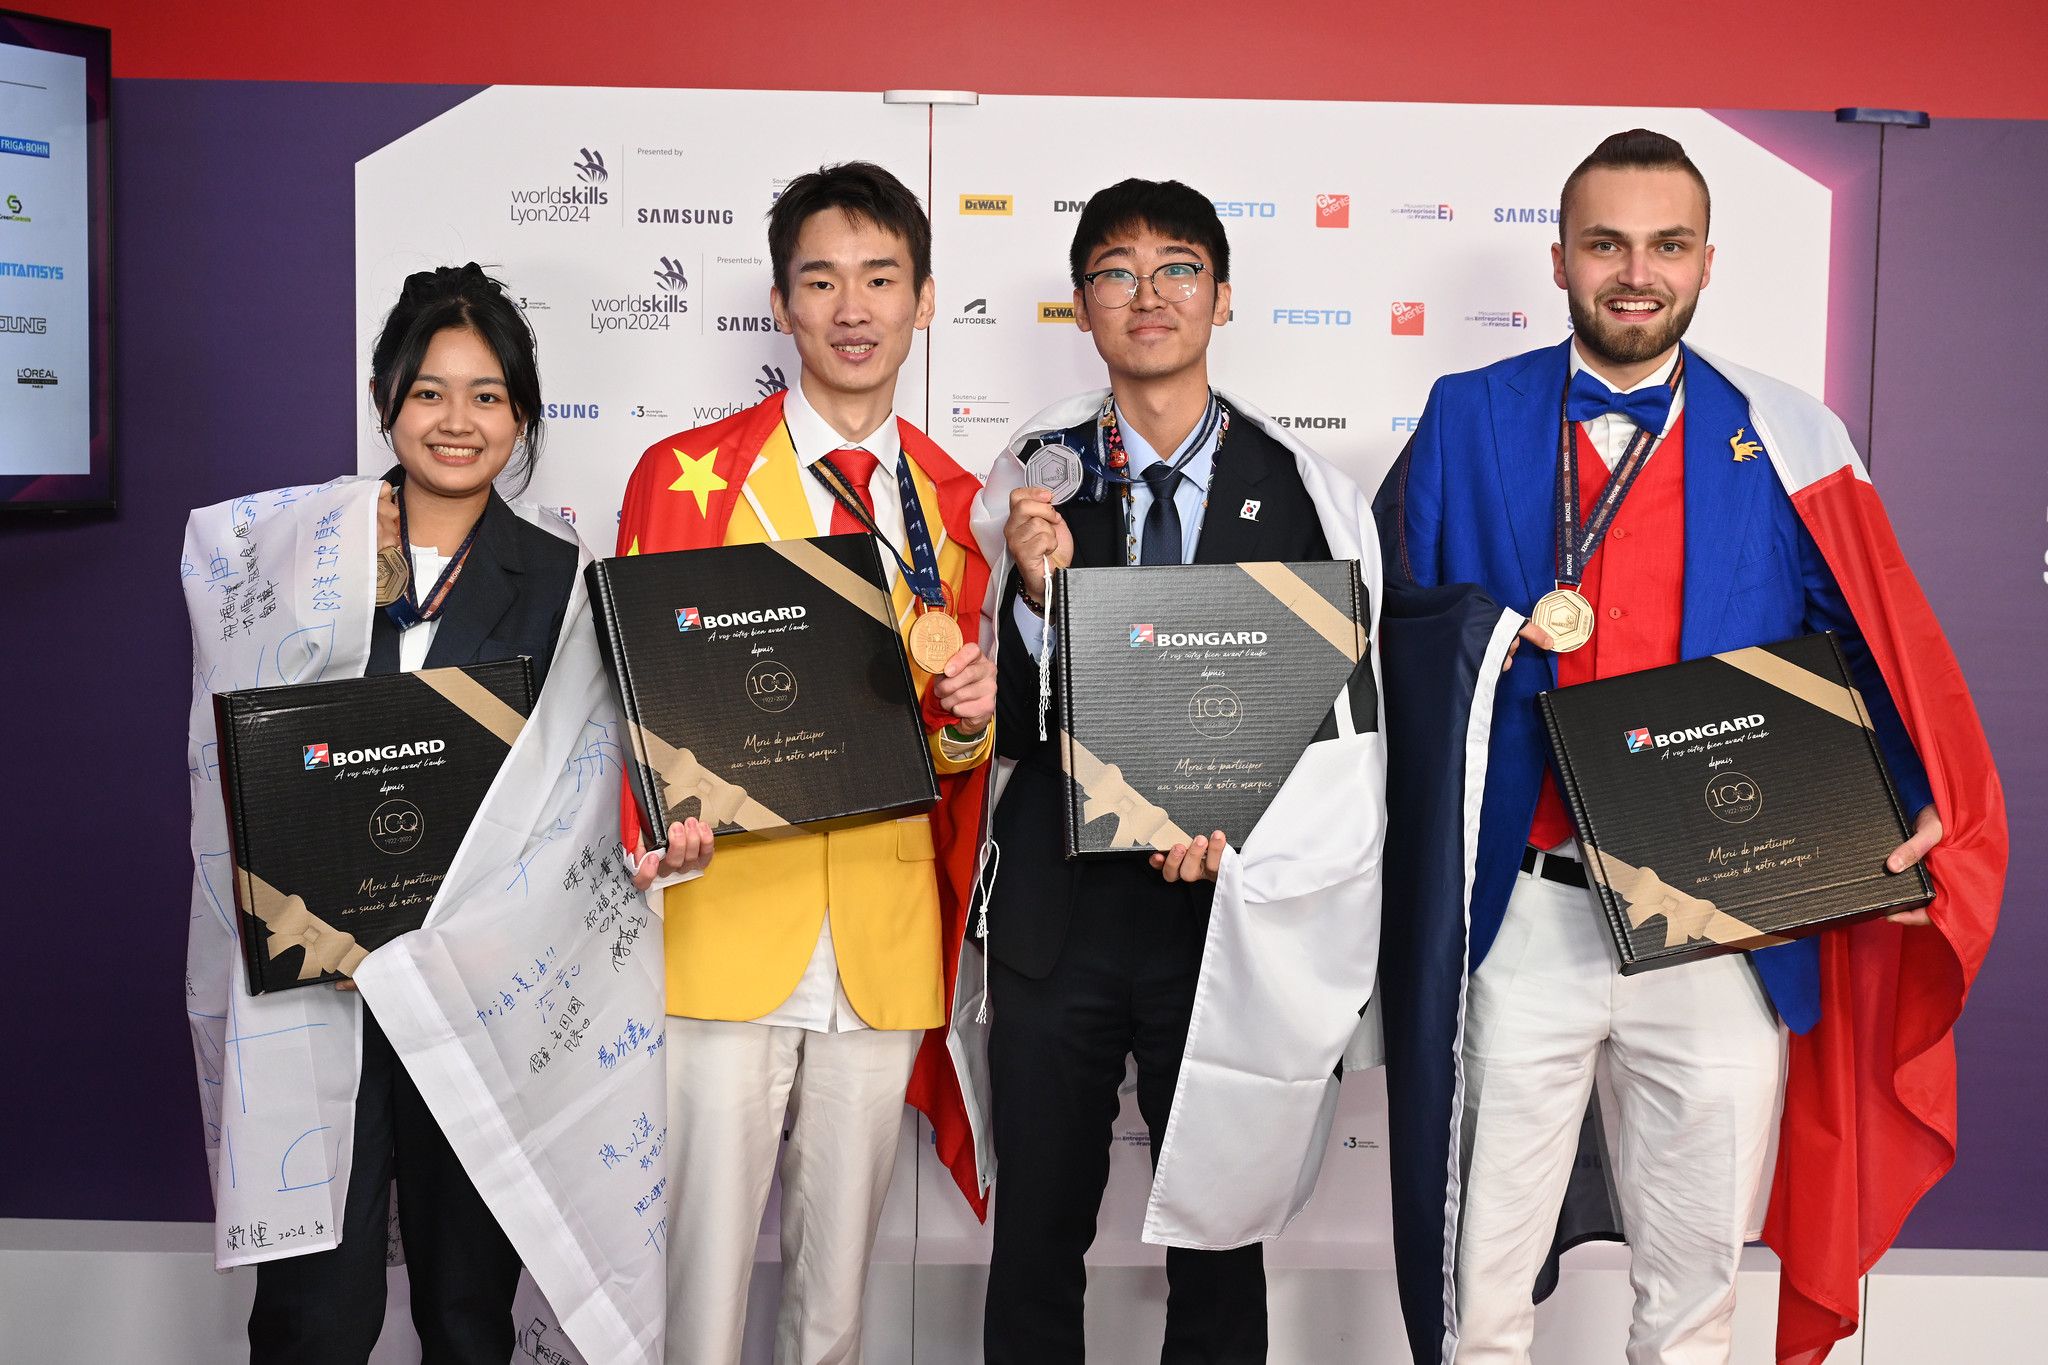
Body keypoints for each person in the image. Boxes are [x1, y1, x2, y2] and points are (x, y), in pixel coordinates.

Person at [1372, 130, 2003, 1365]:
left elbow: (1864, 647)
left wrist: (1911, 803)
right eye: (1604, 243)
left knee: (1691, 1298)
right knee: (1478, 1293)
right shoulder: (1464, 416)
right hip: (1523, 916)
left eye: (1664, 245)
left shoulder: (1783, 434)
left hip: (1722, 918)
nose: (1633, 272)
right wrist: (1488, 642)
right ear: (1558, 257)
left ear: (1706, 262)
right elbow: (1389, 625)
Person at [978, 178, 1384, 1365]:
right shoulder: (1026, 478)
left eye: (1175, 269)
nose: (1146, 295)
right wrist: (1039, 601)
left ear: (1218, 295)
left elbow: (1344, 737)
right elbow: (991, 728)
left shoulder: (1307, 494)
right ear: (1080, 304)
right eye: (1114, 271)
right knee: (1036, 1231)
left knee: (1218, 1246)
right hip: (1059, 915)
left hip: (1225, 921)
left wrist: (1247, 835)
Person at [613, 161, 995, 1365]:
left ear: (923, 299)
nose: (852, 307)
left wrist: (976, 716)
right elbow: (631, 702)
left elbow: (951, 745)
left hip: (880, 941)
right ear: (781, 304)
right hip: (727, 923)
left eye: (880, 278)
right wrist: (653, 819)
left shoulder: (959, 504)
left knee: (834, 1309)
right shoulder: (686, 480)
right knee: (701, 1295)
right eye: (820, 279)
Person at [246, 263, 579, 1362]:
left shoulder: (562, 580)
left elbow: (575, 800)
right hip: (323, 999)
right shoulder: (305, 560)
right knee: (311, 1317)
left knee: (469, 1312)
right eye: (430, 391)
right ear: (386, 397)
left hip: (474, 1007)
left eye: (486, 396)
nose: (456, 420)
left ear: (520, 417)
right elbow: (248, 763)